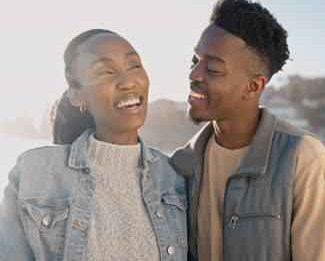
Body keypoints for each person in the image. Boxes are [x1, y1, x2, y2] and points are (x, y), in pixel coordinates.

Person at [169, 0, 325, 260]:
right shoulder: (179, 166)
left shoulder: (303, 157)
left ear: (253, 87)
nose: (194, 74)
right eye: (194, 60)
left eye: (213, 68)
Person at [0, 29, 188, 261]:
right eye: (105, 71)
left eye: (134, 66)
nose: (127, 82)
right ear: (77, 96)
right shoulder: (34, 173)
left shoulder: (176, 178)